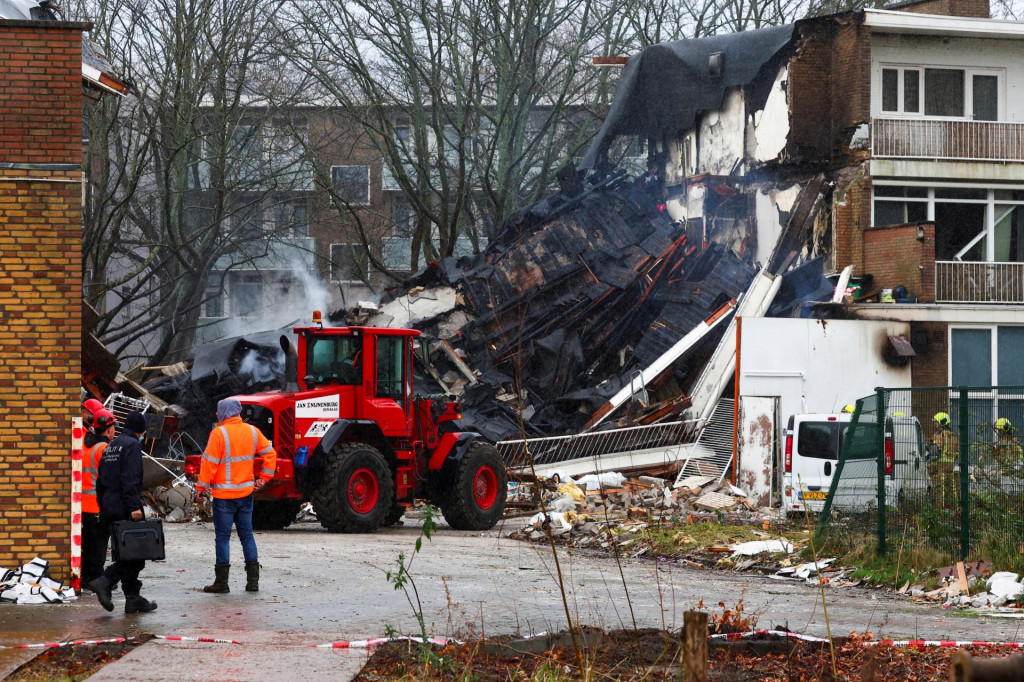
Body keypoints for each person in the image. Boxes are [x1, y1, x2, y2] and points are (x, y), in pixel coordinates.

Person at [196, 398, 277, 594]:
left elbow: (209, 463)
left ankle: (221, 583)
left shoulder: (218, 434)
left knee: (223, 538)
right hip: (246, 493)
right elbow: (270, 454)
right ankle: (253, 582)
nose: (216, 415)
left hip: (224, 496)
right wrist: (264, 478)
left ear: (223, 413)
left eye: (218, 412)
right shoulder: (252, 431)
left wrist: (200, 487)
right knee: (247, 536)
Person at [89, 411, 157, 614]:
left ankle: (133, 598)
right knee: (137, 553)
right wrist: (134, 507)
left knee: (126, 551)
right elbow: (131, 478)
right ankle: (105, 580)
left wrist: (103, 505)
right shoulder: (132, 445)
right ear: (141, 430)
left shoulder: (112, 445)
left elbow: (100, 480)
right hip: (125, 506)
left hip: (109, 505)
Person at [81, 409, 115, 589]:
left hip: (85, 504)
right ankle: (95, 579)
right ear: (109, 430)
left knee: (88, 543)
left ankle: (88, 576)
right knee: (99, 545)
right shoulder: (104, 449)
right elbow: (110, 479)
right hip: (97, 505)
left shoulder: (89, 447)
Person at [928, 411, 959, 506]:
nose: (935, 424)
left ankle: (939, 511)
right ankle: (956, 507)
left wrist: (931, 468)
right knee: (952, 488)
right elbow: (957, 452)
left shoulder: (939, 434)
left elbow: (934, 452)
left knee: (939, 488)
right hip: (951, 466)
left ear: (942, 422)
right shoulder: (953, 435)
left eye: (936, 422)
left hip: (940, 465)